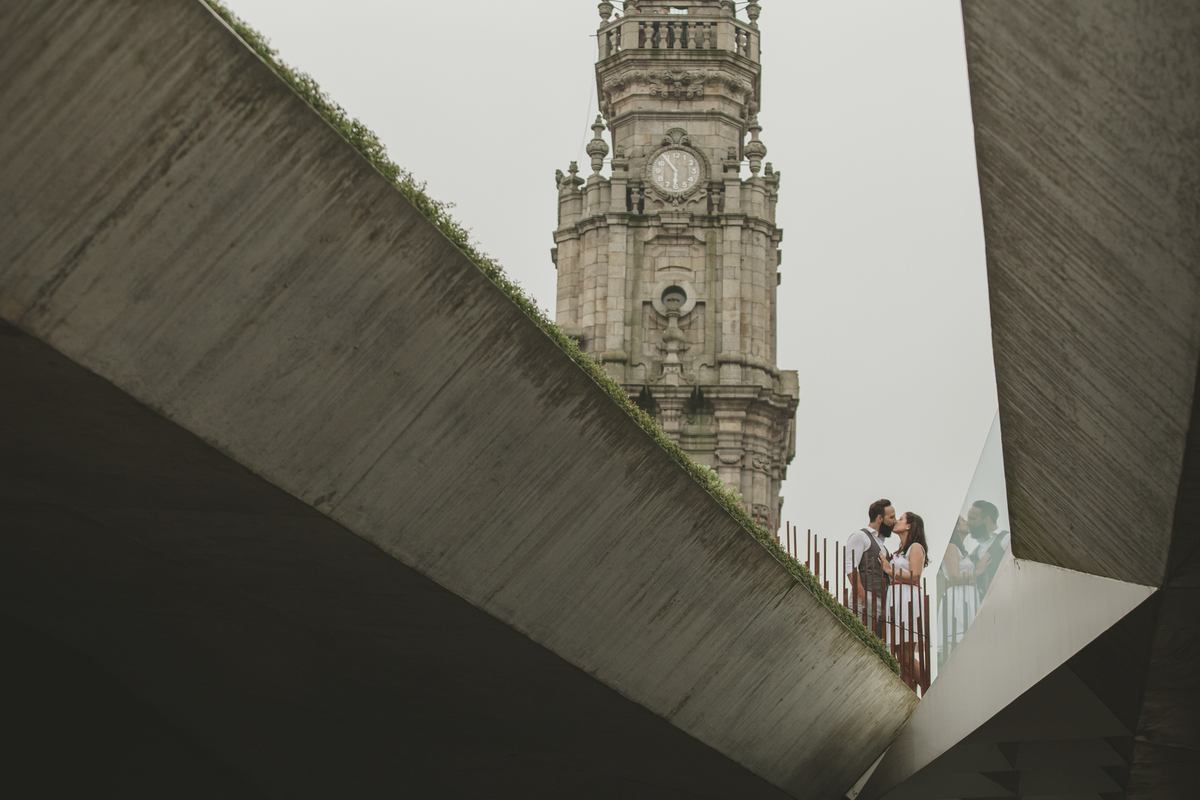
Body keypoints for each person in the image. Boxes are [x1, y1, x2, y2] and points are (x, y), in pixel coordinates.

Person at [879, 512, 928, 691]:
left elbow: (915, 576)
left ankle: (930, 689)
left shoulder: (915, 547)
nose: (896, 521)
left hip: (907, 597)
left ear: (909, 525)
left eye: (900, 519)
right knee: (900, 656)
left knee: (907, 655)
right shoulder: (900, 548)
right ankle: (910, 696)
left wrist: (889, 570)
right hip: (897, 597)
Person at [844, 499, 895, 636]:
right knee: (858, 639)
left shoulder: (882, 545)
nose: (894, 521)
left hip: (880, 601)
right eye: (891, 517)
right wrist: (862, 595)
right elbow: (850, 566)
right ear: (880, 518)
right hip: (866, 598)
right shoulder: (861, 536)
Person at [938, 516, 979, 661]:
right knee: (959, 638)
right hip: (959, 597)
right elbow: (954, 577)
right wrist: (977, 572)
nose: (967, 522)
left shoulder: (962, 549)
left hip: (967, 594)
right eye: (963, 520)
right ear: (955, 527)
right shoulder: (951, 547)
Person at [967, 500, 1009, 601]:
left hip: (1004, 601)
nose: (968, 523)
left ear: (987, 519)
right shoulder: (977, 550)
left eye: (972, 518)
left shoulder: (1006, 539)